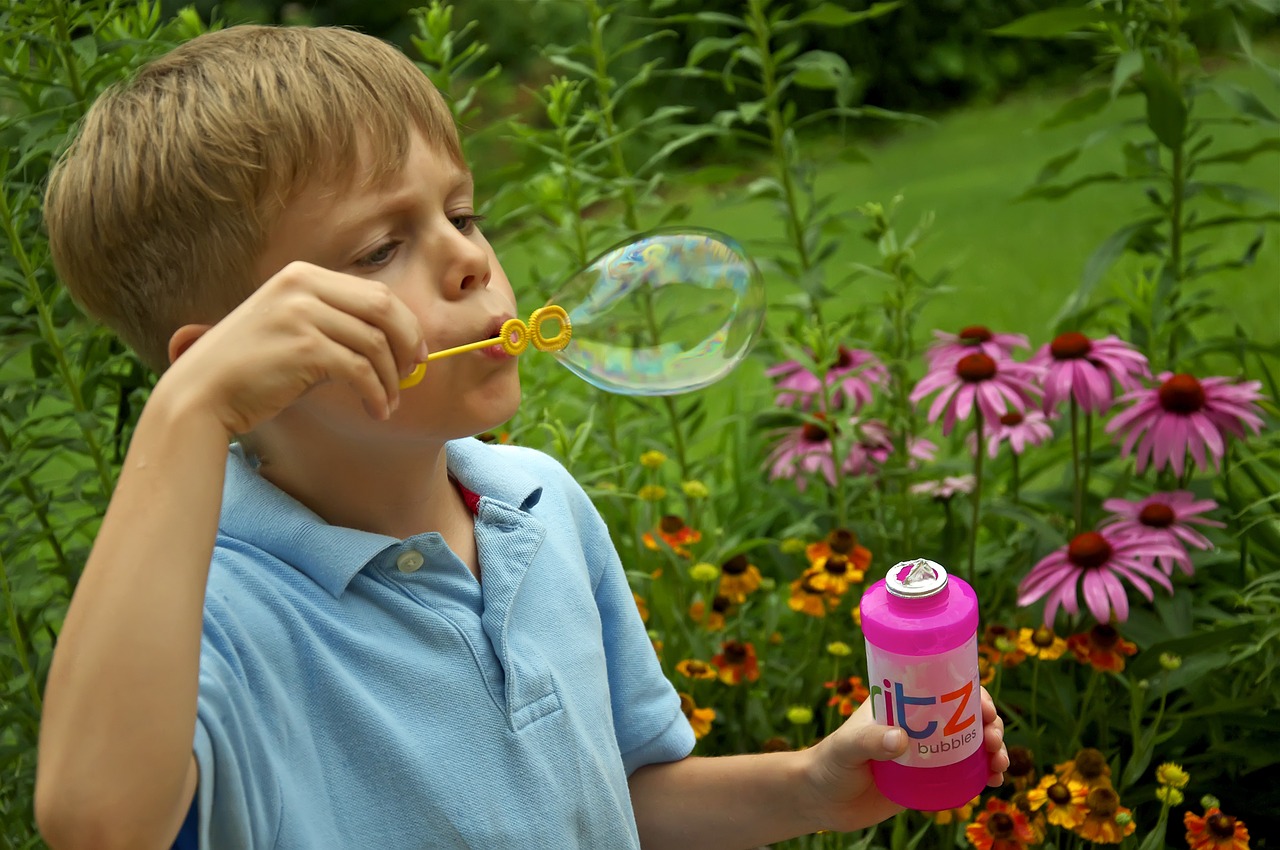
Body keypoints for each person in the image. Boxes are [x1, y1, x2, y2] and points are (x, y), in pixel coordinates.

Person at [33, 24, 1008, 850]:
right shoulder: (217, 615)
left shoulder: (535, 500)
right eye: (381, 247)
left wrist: (805, 787)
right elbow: (96, 820)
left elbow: (608, 794)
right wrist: (186, 415)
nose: (467, 257)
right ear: (235, 363)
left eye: (461, 213)